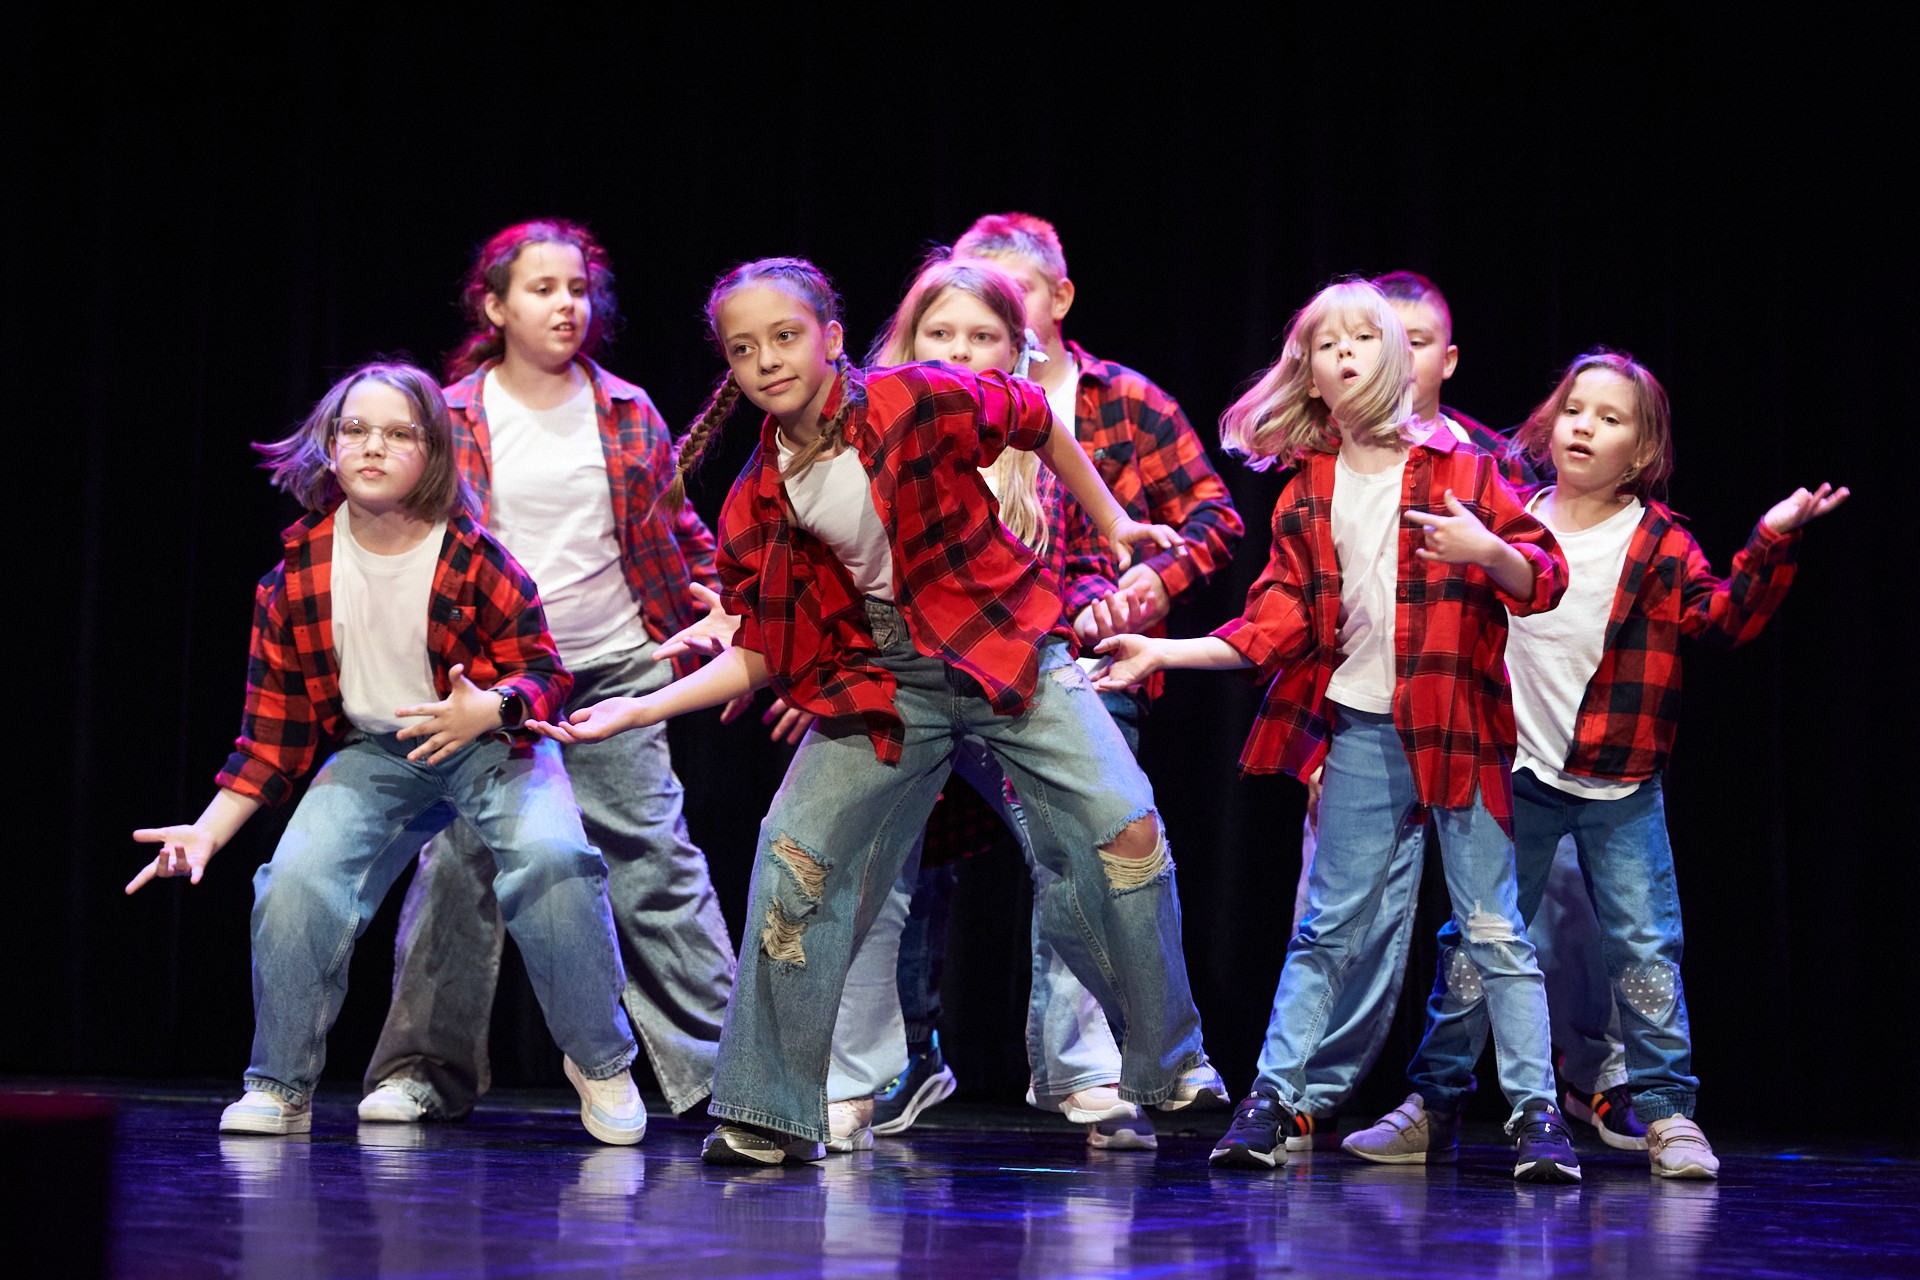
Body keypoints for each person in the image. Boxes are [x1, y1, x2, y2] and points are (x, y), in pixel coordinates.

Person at [534, 256, 1217, 1166]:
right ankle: (770, 1110)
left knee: (1123, 829)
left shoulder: (916, 399)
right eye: (745, 349)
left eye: (785, 336)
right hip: (887, 673)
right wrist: (633, 710)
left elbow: (1037, 416)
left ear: (831, 337)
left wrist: (1118, 521)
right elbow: (765, 651)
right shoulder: (760, 499)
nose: (768, 360)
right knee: (796, 854)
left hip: (1006, 645)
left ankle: (1167, 1063)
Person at [1096, 279, 1581, 1181]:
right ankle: (1273, 1103)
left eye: (1368, 336)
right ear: (1310, 373)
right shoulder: (1304, 494)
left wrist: (1491, 552)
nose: (1349, 351)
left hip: (1459, 731)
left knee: (1493, 928)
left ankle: (1534, 1116)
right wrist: (1166, 652)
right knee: (1327, 926)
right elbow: (1272, 628)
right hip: (1363, 734)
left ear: (1401, 359)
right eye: (1329, 342)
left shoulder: (1461, 468)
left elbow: (1544, 578)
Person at [1342, 349, 1847, 1178]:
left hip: (1619, 785)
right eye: (1577, 410)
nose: (1586, 427)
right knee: (1477, 942)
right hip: (1516, 779)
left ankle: (1667, 1113)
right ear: (1550, 421)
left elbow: (1724, 621)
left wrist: (1771, 539)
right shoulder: (1512, 520)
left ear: (1642, 454)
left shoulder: (1657, 543)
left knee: (1646, 950)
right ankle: (1431, 1104)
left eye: (1611, 420)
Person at [127, 362, 643, 1144]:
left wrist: (491, 707)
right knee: (295, 883)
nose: (374, 446)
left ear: (432, 452)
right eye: (356, 430)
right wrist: (207, 830)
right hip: (380, 751)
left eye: (400, 434)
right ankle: (279, 1085)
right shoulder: (294, 578)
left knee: (554, 859)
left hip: (485, 744)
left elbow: (545, 675)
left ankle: (601, 1064)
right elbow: (272, 736)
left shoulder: (475, 558)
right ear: (330, 446)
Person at [868, 211, 1244, 1138]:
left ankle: (1084, 1066)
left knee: (1080, 847)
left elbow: (1208, 517)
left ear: (1054, 302)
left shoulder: (1115, 405)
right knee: (893, 859)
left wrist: (1146, 583)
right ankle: (900, 1059)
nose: (978, 323)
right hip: (926, 668)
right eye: (953, 310)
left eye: (1005, 301)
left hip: (1064, 668)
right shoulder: (909, 401)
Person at [357, 219, 736, 1129]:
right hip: (486, 682)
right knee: (460, 864)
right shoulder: (445, 415)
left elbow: (676, 533)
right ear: (494, 306)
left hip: (610, 666)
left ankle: (734, 1073)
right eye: (541, 289)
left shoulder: (627, 409)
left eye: (577, 288)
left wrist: (720, 603)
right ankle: (423, 1070)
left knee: (655, 861)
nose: (566, 305)